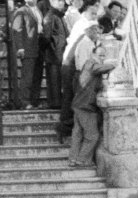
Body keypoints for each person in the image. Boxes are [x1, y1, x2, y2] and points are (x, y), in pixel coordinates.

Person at [57, 0, 98, 141]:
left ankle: (67, 128)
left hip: (70, 63)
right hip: (70, 64)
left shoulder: (83, 24)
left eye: (96, 14)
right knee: (70, 97)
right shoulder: (84, 25)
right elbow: (81, 51)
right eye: (93, 13)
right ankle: (64, 128)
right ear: (85, 11)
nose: (94, 16)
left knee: (71, 96)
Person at [68, 45, 115, 167]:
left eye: (104, 55)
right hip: (85, 106)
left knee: (77, 134)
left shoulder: (90, 65)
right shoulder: (90, 63)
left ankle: (73, 159)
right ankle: (82, 160)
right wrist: (114, 65)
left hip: (79, 104)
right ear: (93, 55)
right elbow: (97, 69)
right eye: (100, 55)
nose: (102, 58)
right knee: (92, 136)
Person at [12, 0, 45, 110]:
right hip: (28, 46)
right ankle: (25, 102)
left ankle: (34, 101)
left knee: (37, 75)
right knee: (28, 75)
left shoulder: (38, 11)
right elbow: (17, 29)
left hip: (39, 45)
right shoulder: (21, 11)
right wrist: (20, 47)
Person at [43, 0, 68, 109]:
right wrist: (52, 49)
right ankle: (55, 103)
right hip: (54, 53)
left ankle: (57, 102)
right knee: (54, 80)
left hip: (60, 52)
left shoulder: (59, 16)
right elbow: (47, 37)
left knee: (58, 79)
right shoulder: (50, 16)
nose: (62, 3)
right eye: (60, 1)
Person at [74, 21, 101, 93]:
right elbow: (83, 65)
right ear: (88, 31)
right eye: (94, 30)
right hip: (84, 76)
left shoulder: (91, 43)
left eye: (97, 30)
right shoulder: (84, 44)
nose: (96, 33)